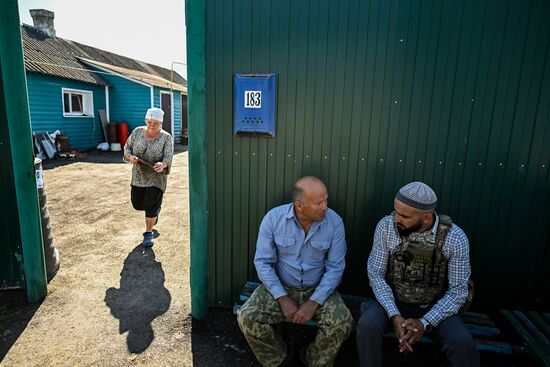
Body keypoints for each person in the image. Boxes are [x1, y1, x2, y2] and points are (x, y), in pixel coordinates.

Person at [356, 181, 479, 367]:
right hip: (392, 301)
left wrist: (424, 323)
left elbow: (458, 292)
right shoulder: (386, 226)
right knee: (367, 326)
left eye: (404, 216)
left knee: (462, 343)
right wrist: (395, 315)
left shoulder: (455, 238)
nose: (396, 219)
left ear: (427, 218)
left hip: (434, 306)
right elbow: (375, 274)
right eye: (395, 211)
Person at [237, 176, 353, 367]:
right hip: (281, 286)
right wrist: (282, 298)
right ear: (299, 206)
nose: (325, 207)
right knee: (247, 317)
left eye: (326, 200)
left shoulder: (334, 222)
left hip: (317, 288)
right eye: (319, 203)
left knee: (342, 322)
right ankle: (280, 358)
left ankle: (313, 359)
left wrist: (314, 302)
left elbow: (335, 268)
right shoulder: (274, 219)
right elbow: (263, 263)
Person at [123, 107, 173, 248]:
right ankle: (154, 214)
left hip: (156, 177)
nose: (152, 125)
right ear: (146, 120)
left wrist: (162, 165)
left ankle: (148, 233)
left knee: (151, 205)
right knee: (137, 204)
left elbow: (168, 157)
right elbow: (127, 148)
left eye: (155, 123)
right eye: (149, 122)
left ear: (161, 124)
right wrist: (130, 156)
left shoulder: (166, 137)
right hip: (139, 175)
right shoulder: (137, 132)